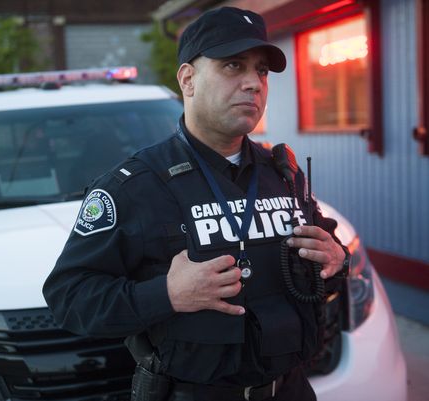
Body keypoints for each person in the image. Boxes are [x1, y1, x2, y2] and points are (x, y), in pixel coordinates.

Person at [43, 6, 350, 401]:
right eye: (233, 66)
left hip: (291, 389)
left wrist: (336, 261)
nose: (253, 83)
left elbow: (329, 260)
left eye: (260, 70)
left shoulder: (283, 173)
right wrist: (166, 294)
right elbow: (69, 297)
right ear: (188, 80)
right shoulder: (137, 186)